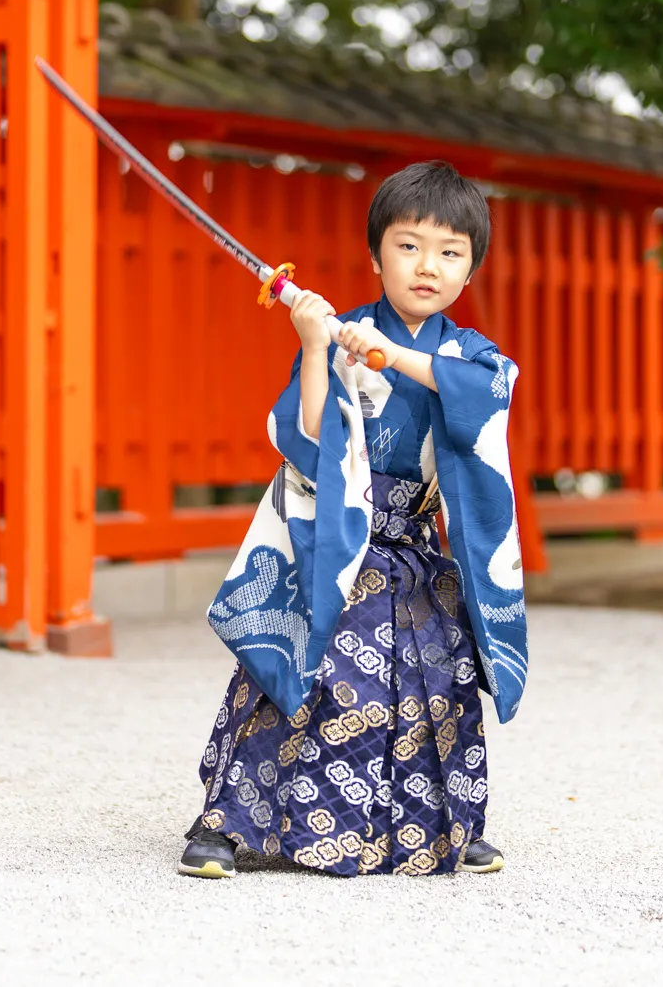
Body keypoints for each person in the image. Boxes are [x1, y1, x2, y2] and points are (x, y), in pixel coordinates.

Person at [178, 160, 528, 879]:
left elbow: (490, 392)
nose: (427, 265)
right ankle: (229, 825)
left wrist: (394, 355)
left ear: (470, 270)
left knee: (440, 679)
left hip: (417, 551)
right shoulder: (344, 337)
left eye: (450, 252)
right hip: (338, 539)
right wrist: (315, 347)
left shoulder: (468, 353)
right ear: (376, 255)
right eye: (409, 245)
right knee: (303, 665)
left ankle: (443, 827)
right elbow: (309, 439)